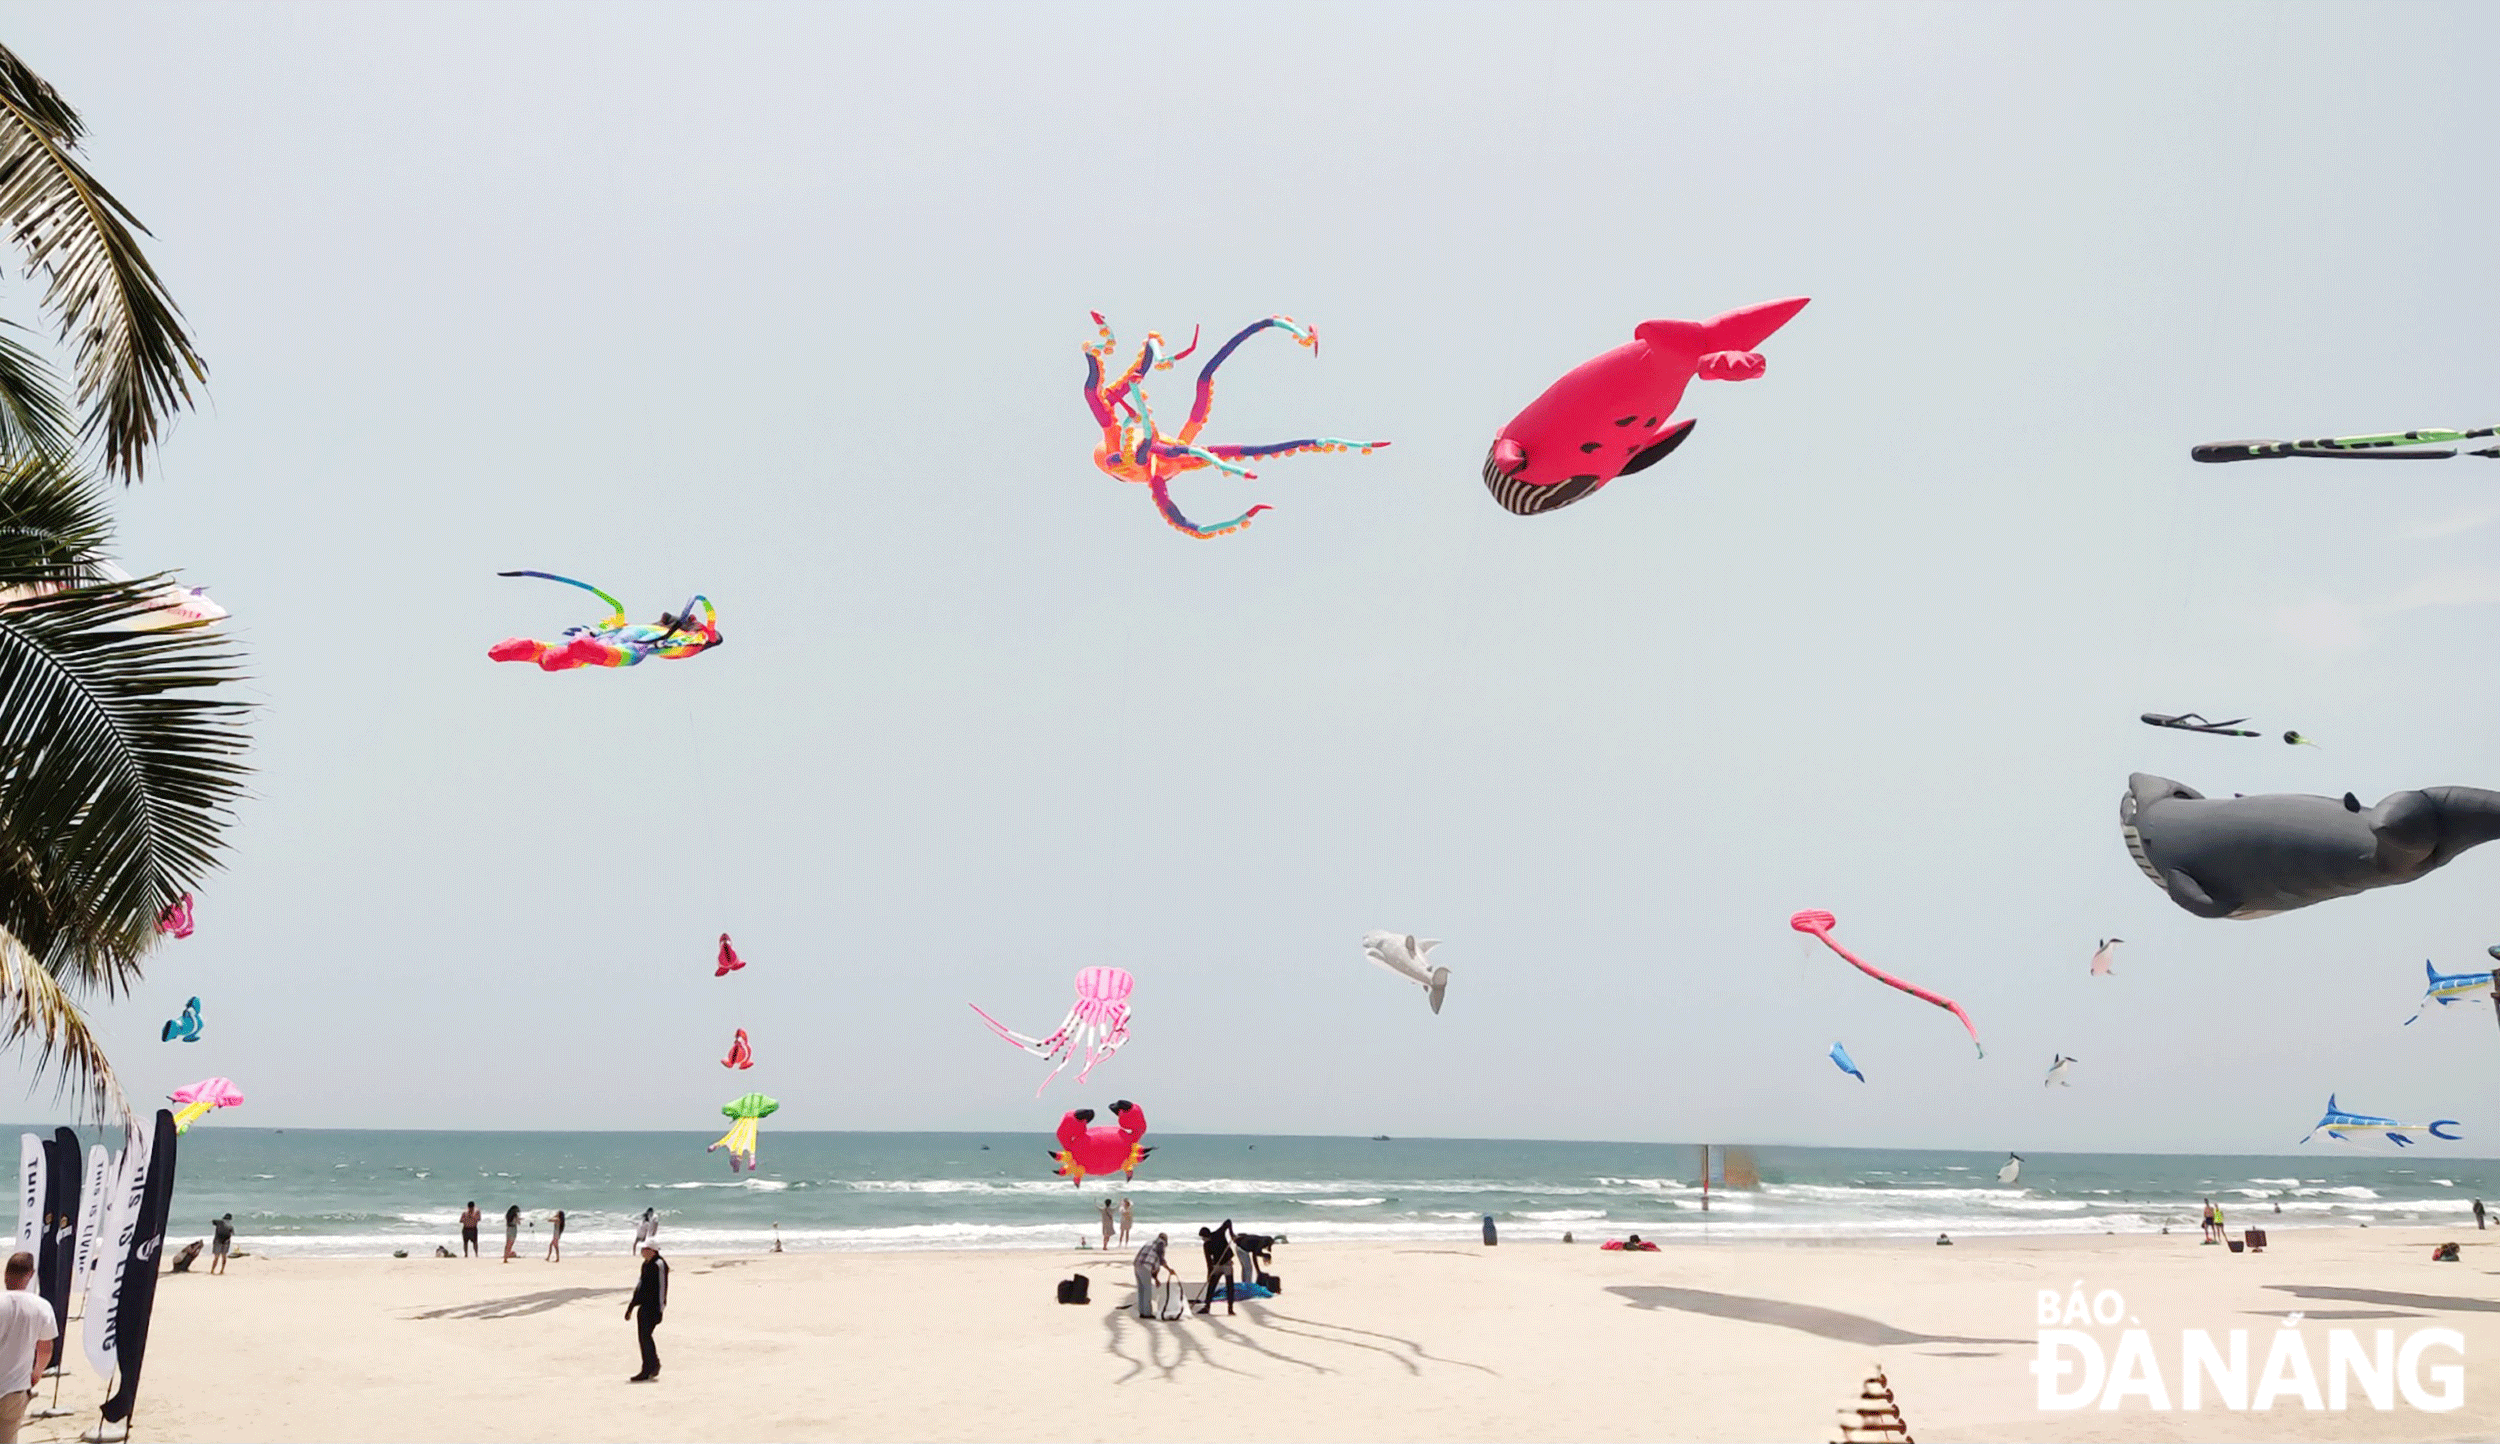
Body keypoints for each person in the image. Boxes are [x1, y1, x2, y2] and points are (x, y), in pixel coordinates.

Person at [0, 1252, 54, 1443]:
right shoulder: (41, 1306)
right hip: (16, 1386)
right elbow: (45, 1348)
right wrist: (37, 1373)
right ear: (30, 1274)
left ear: (6, 1274)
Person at [625, 1241, 668, 1382]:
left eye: (645, 1249)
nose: (642, 1251)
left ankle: (651, 1366)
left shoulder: (659, 1265)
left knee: (646, 1336)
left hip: (654, 1307)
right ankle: (650, 1366)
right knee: (643, 1338)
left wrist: (660, 1309)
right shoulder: (646, 1264)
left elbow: (662, 1288)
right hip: (643, 1307)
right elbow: (640, 1285)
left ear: (653, 1251)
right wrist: (631, 1306)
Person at [1197, 1219, 1237, 1316]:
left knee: (1229, 1286)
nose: (1203, 1239)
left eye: (1203, 1237)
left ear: (1207, 1235)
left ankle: (1230, 1309)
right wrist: (1209, 1274)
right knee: (1211, 1286)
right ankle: (1207, 1307)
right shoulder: (1206, 1245)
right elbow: (1208, 1261)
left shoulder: (1218, 1234)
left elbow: (1228, 1222)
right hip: (1217, 1266)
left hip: (1227, 1263)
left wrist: (1231, 1234)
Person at [1131, 1232, 1176, 1320]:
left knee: (1141, 1289)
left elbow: (1154, 1261)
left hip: (1137, 1265)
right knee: (1147, 1290)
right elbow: (1160, 1260)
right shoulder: (1160, 1244)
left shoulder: (1150, 1243)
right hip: (1145, 1266)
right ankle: (1147, 1313)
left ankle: (1142, 1312)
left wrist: (1156, 1279)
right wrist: (1169, 1269)